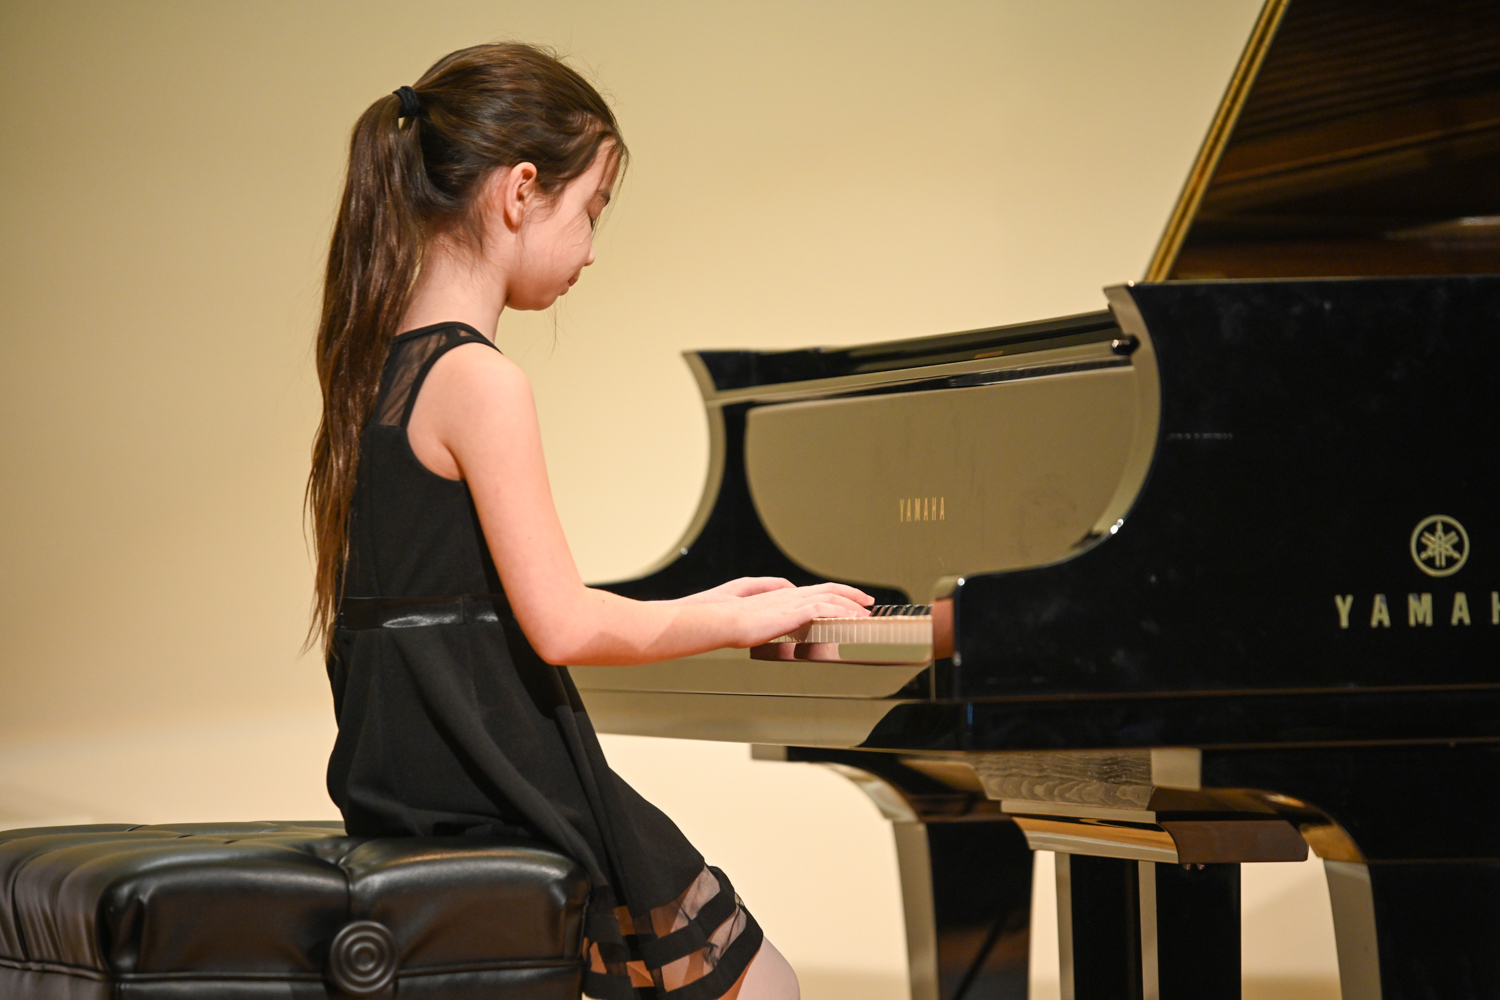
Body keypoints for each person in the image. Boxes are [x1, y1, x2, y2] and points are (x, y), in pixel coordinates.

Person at [306, 43, 872, 1000]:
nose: (594, 248)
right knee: (765, 985)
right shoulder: (479, 379)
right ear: (521, 191)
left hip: (413, 783)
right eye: (592, 210)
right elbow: (562, 625)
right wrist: (732, 618)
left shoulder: (377, 373)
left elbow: (462, 614)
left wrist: (702, 605)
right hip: (504, 786)